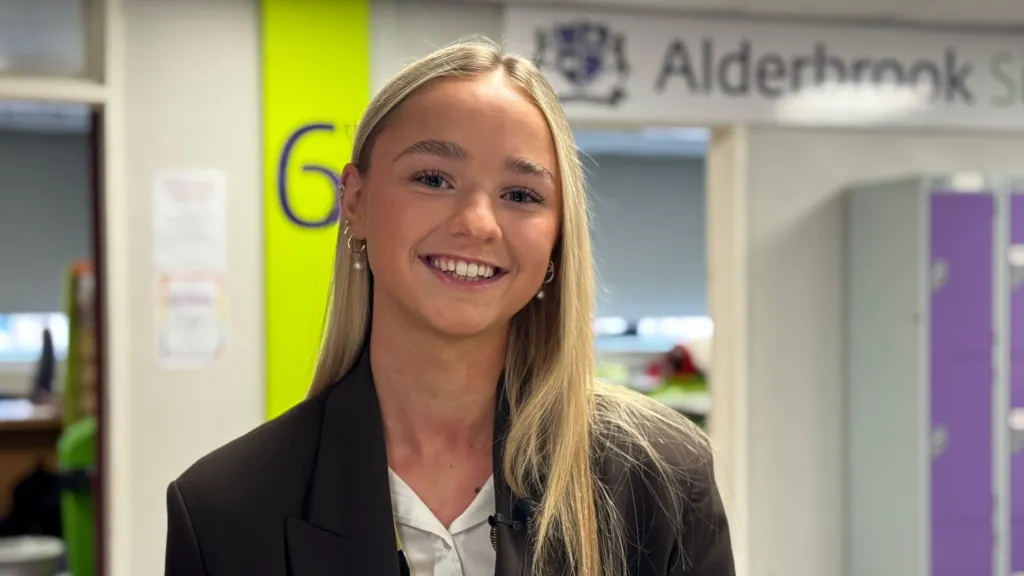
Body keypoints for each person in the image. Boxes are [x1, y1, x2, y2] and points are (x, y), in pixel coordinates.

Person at [164, 37, 734, 576]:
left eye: (521, 194)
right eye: (434, 178)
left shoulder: (662, 475)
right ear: (356, 202)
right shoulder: (224, 510)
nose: (477, 224)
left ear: (558, 234)